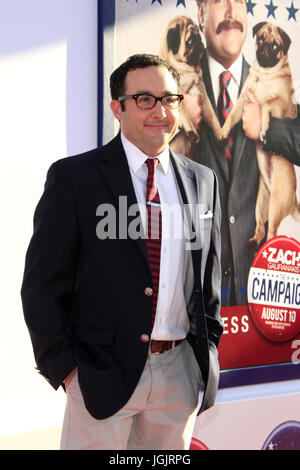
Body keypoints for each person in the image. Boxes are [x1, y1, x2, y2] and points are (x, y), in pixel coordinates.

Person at [21, 54, 223, 450]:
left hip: (177, 379)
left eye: (169, 99)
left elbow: (209, 279)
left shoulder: (202, 181)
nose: (160, 111)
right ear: (118, 107)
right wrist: (67, 370)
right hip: (99, 378)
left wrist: (204, 355)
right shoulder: (74, 178)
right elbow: (41, 287)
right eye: (145, 99)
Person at [182, 0, 300, 305]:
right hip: (194, 301)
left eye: (239, 1)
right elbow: (130, 161)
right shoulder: (174, 86)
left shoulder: (272, 81)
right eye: (220, 1)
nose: (232, 12)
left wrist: (267, 128)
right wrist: (172, 119)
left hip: (263, 302)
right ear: (201, 13)